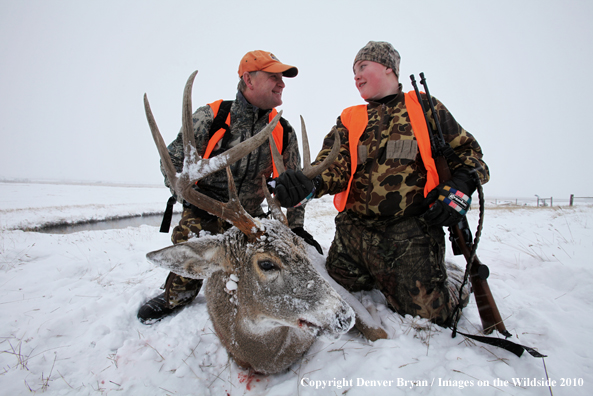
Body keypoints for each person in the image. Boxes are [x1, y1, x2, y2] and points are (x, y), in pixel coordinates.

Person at [273, 41, 489, 328]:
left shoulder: (426, 108)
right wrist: (306, 184)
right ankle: (382, 274)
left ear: (389, 68)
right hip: (354, 234)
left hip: (408, 233)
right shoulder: (350, 118)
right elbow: (335, 167)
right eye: (353, 71)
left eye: (362, 66)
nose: (356, 76)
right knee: (331, 291)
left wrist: (461, 186)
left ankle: (447, 277)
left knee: (431, 318)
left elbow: (471, 155)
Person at [138, 50, 322, 324]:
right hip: (207, 210)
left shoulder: (283, 130)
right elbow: (172, 165)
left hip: (250, 216)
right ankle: (175, 294)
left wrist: (295, 226)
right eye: (273, 76)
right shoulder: (211, 117)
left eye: (282, 77)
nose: (281, 83)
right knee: (192, 259)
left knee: (280, 263)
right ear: (248, 79)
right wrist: (185, 192)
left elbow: (290, 184)